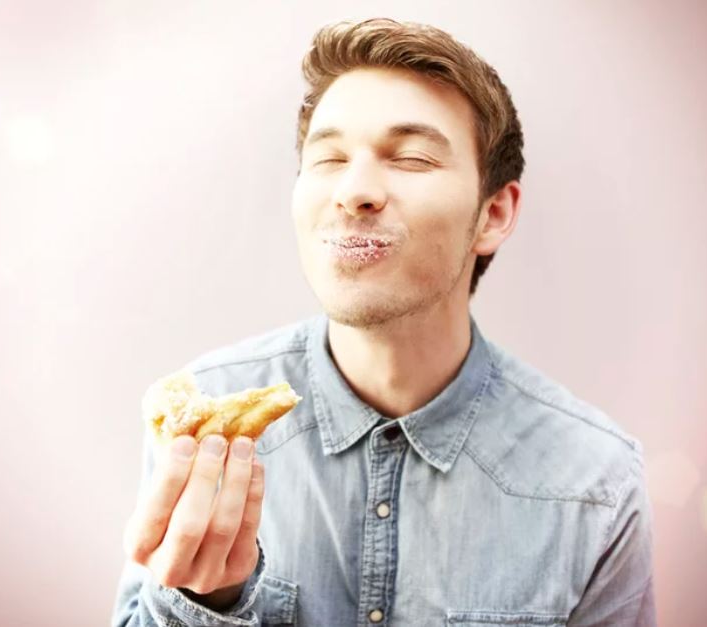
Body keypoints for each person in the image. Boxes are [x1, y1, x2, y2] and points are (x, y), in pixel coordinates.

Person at [112, 17, 655, 627]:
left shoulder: (597, 482)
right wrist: (206, 603)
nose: (355, 190)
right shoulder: (204, 418)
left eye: (413, 157)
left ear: (493, 213)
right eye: (329, 158)